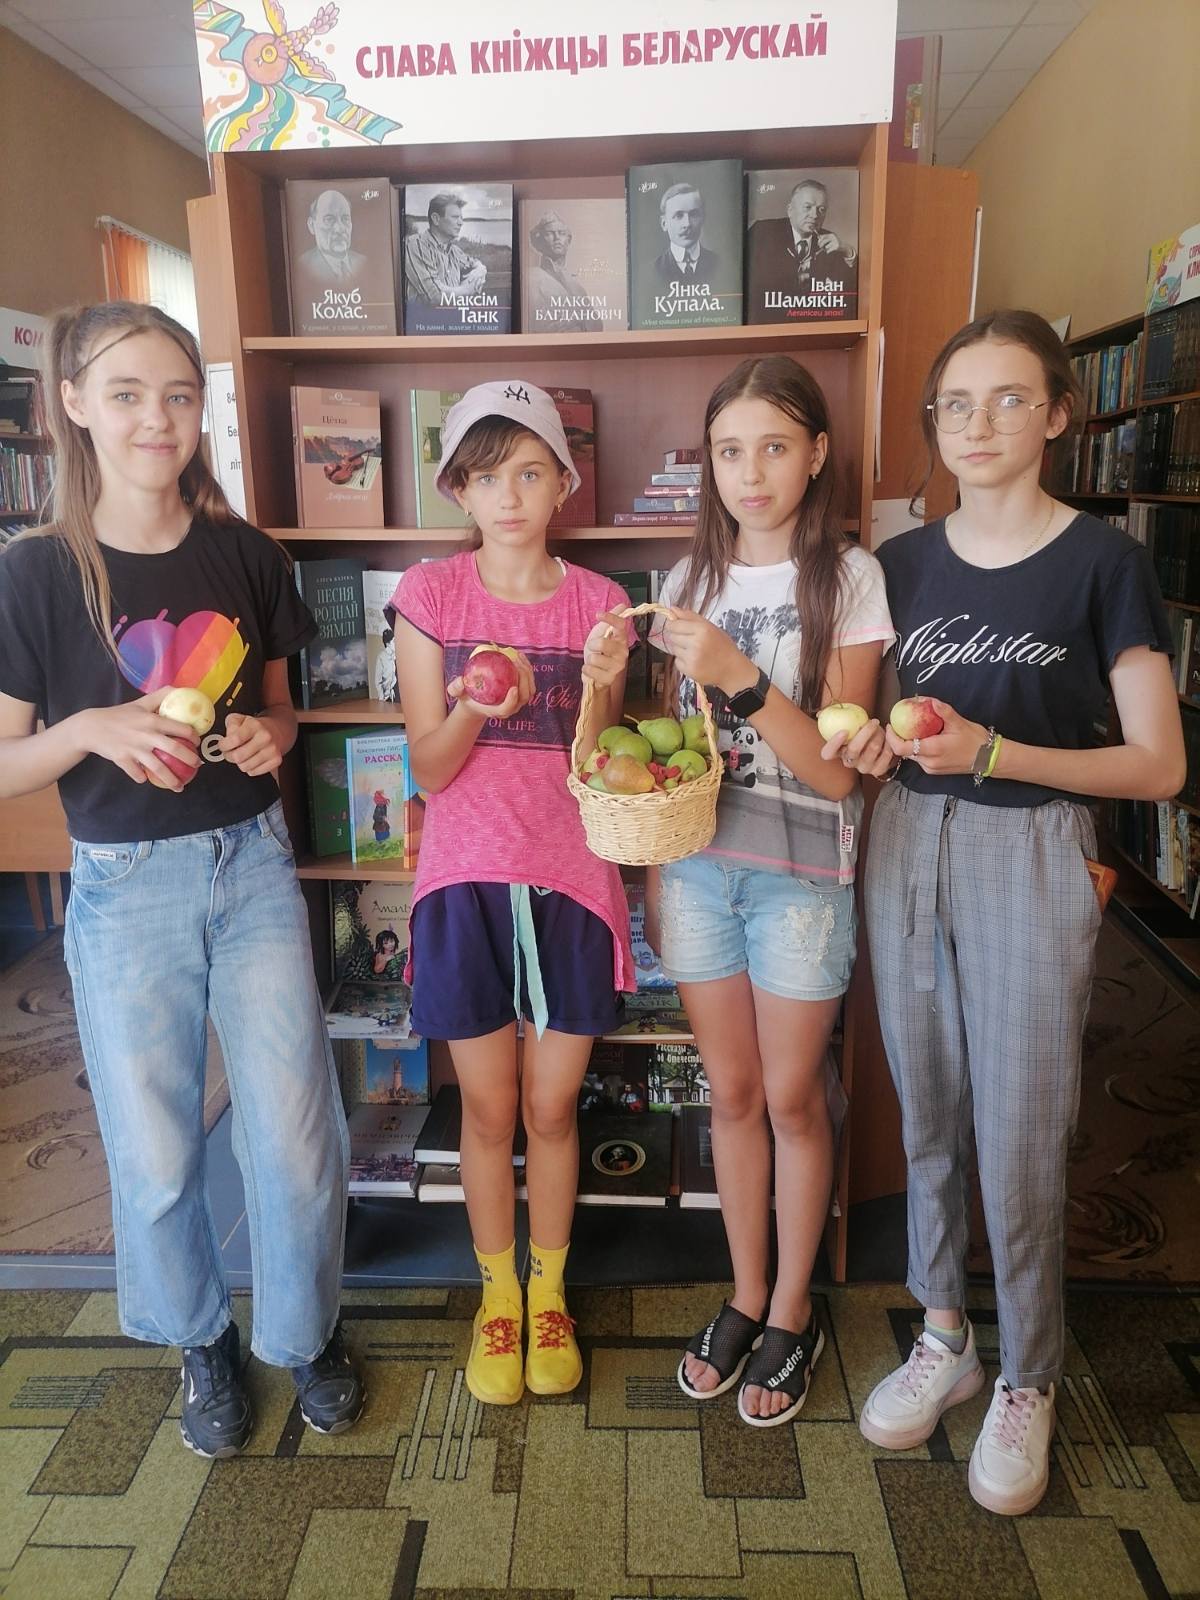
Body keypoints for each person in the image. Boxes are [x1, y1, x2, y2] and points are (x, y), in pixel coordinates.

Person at [829, 309, 1184, 1515]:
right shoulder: (900, 563)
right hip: (908, 839)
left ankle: (1030, 1370)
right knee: (926, 1101)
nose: (978, 424)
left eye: (1010, 398)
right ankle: (945, 1331)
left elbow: (1159, 764)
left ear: (1060, 414)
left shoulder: (1104, 563)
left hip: (1032, 843)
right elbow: (883, 724)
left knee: (1025, 1123)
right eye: (956, 403)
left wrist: (994, 752)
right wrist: (875, 748)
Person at [0, 302, 363, 1458]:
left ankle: (304, 1331)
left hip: (250, 865)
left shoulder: (246, 554)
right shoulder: (37, 571)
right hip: (125, 886)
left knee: (295, 1134)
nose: (156, 418)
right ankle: (200, 1336)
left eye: (176, 394)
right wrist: (90, 729)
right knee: (155, 1148)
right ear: (73, 403)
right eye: (125, 393)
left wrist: (268, 734)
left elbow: (281, 713)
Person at [649, 354, 893, 1426]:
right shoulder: (685, 581)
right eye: (729, 450)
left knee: (794, 1098)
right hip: (699, 871)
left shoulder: (849, 578)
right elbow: (675, 752)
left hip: (803, 877)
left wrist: (739, 675)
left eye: (776, 447)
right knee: (733, 1094)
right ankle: (747, 1292)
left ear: (818, 453)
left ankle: (796, 1306)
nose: (750, 474)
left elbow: (837, 773)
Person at [391, 379, 636, 1407]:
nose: (509, 496)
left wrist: (601, 680)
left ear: (563, 484)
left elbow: (600, 763)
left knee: (550, 1105)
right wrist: (482, 707)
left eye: (530, 473)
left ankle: (550, 1294)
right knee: (489, 1112)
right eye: (487, 477)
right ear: (458, 488)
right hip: (465, 882)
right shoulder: (432, 594)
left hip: (572, 879)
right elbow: (429, 767)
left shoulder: (599, 603)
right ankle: (499, 1298)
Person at [750, 179, 857, 303]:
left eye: (821, 209)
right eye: (807, 207)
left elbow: (850, 293)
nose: (815, 215)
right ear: (790, 210)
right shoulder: (762, 232)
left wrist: (846, 250)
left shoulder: (830, 241)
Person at [404, 192, 487, 307]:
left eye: (461, 218)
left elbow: (474, 263)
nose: (461, 223)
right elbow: (435, 296)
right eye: (455, 217)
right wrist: (469, 289)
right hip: (424, 318)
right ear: (436, 219)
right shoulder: (415, 245)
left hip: (453, 316)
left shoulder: (454, 251)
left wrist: (481, 269)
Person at [526, 211, 597, 330]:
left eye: (562, 233)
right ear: (540, 241)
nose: (557, 238)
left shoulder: (577, 287)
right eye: (549, 233)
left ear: (568, 240)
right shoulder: (531, 278)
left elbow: (596, 325)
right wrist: (576, 318)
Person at [652, 183, 722, 287]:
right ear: (664, 223)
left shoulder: (720, 265)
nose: (687, 224)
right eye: (678, 215)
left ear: (702, 218)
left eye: (694, 214)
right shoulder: (652, 271)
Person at [299, 188, 366, 282]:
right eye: (329, 219)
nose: (340, 229)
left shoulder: (364, 262)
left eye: (345, 219)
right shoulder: (303, 266)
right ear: (311, 225)